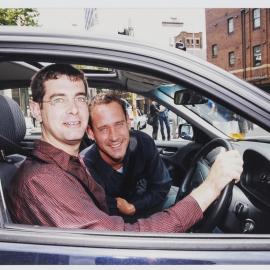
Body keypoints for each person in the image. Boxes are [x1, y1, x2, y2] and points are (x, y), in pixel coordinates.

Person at [7, 64, 243, 233]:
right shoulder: (42, 180)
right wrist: (210, 187)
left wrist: (136, 207)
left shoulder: (69, 164)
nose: (73, 109)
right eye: (59, 100)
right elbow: (120, 240)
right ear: (36, 110)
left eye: (79, 98)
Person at [83, 93, 172, 222]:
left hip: (149, 213)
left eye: (119, 124)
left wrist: (133, 207)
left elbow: (162, 185)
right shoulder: (85, 169)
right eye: (103, 129)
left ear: (128, 122)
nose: (114, 137)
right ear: (91, 133)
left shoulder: (143, 143)